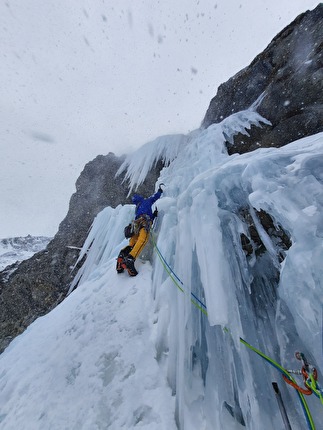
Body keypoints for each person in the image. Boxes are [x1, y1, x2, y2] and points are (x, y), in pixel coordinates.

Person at [116, 186, 163, 276]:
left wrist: (153, 215)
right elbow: (155, 197)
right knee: (142, 240)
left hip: (136, 224)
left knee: (132, 242)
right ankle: (130, 259)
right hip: (145, 222)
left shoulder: (137, 207)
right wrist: (160, 191)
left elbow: (143, 213)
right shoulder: (146, 201)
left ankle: (122, 257)